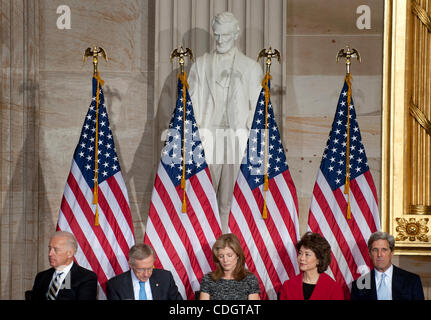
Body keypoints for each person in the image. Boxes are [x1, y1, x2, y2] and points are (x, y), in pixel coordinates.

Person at [188, 12, 263, 232]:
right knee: (202, 196)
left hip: (237, 139)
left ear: (236, 34)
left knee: (230, 200)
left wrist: (251, 143)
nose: (220, 40)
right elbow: (191, 105)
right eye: (217, 35)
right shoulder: (200, 65)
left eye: (226, 36)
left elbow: (257, 110)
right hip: (207, 138)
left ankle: (226, 244)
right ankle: (203, 239)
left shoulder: (251, 68)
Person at [351, 231, 424, 300]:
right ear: (370, 254)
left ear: (392, 252)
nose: (379, 254)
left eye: (384, 250)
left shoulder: (412, 281)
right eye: (375, 250)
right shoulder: (358, 286)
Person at [31, 231, 98, 300]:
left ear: (70, 253)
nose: (50, 254)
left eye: (56, 249)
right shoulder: (41, 277)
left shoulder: (86, 278)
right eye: (50, 248)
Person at [279, 232, 344, 300]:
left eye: (307, 254)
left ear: (319, 259)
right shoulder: (288, 286)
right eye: (300, 253)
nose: (301, 258)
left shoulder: (333, 288)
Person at [106, 243, 182, 300]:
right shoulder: (115, 285)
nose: (146, 274)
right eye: (140, 269)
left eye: (149, 268)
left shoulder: (165, 278)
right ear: (131, 265)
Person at [199, 233, 260, 300]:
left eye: (229, 255)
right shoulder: (208, 279)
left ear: (237, 255)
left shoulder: (250, 279)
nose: (225, 260)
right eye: (221, 256)